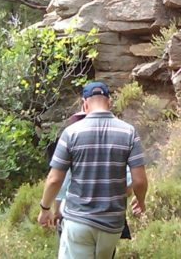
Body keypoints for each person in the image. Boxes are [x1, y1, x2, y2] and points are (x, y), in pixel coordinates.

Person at [37, 81, 148, 259]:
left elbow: (54, 179)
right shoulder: (129, 132)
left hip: (78, 220)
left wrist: (45, 208)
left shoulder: (71, 133)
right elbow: (139, 181)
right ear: (109, 102)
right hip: (112, 225)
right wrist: (140, 201)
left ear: (85, 104)